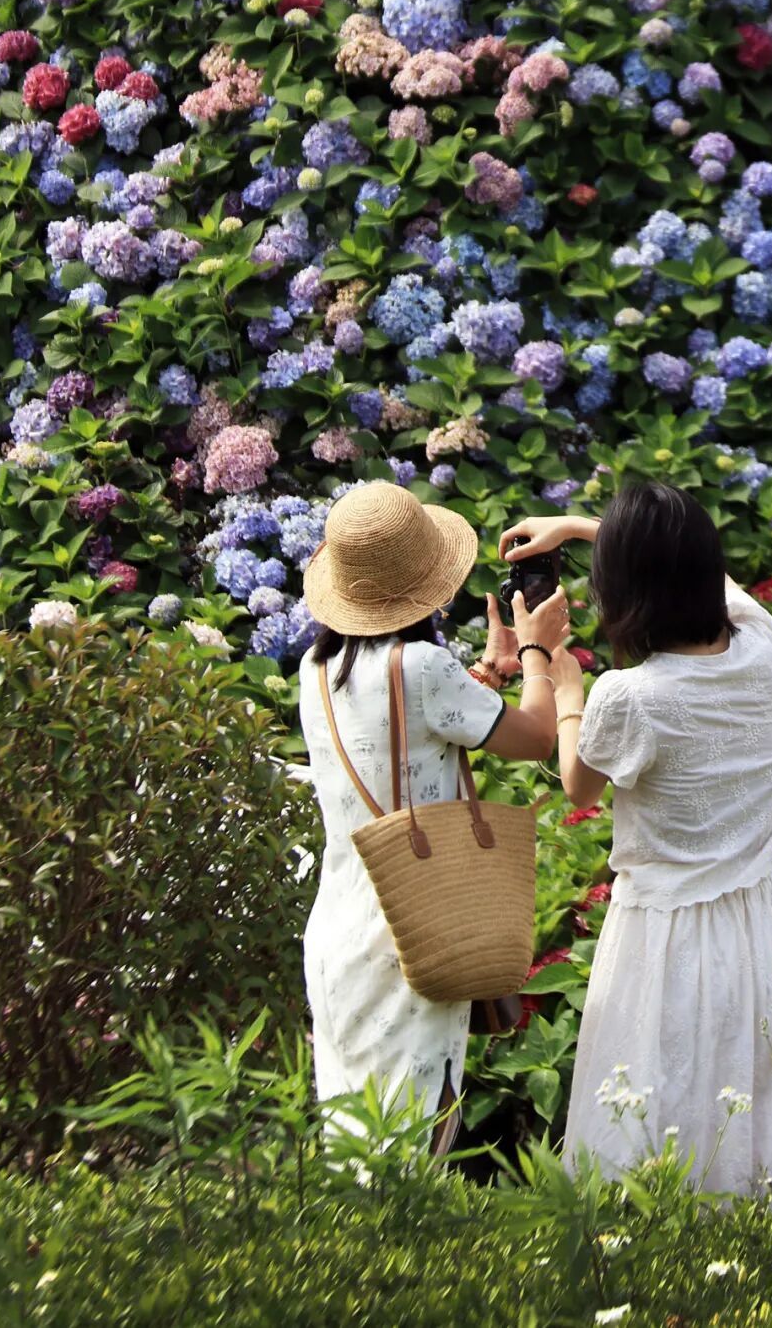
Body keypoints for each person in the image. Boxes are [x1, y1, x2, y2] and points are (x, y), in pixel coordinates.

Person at [500, 483, 772, 1197]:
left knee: (651, 1099)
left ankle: (641, 1247)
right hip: (755, 921)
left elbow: (578, 785)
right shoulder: (759, 642)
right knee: (743, 1097)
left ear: (624, 591)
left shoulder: (631, 695)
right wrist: (579, 527)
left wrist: (555, 674)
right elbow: (713, 577)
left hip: (664, 934)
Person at [299, 480, 568, 1154]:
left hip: (340, 929)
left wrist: (488, 672)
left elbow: (404, 732)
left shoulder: (316, 667)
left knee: (353, 1144)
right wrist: (536, 651)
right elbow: (538, 738)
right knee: (412, 1143)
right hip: (413, 927)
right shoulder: (421, 665)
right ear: (428, 588)